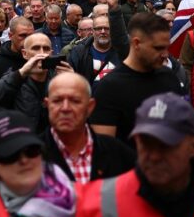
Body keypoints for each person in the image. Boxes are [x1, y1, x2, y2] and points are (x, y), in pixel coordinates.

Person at [89, 11, 185, 144]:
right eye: (158, 48)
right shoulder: (109, 88)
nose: (165, 54)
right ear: (136, 43)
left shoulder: (169, 78)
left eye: (166, 47)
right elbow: (105, 149)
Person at [43, 73, 134, 183]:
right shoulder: (31, 155)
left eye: (75, 101)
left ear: (90, 107)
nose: (65, 108)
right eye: (57, 101)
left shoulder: (117, 153)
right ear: (47, 105)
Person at [0, 32, 72, 130]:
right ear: (25, 53)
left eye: (46, 49)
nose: (41, 53)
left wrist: (73, 81)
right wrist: (21, 73)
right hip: (25, 137)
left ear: (51, 53)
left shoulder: (59, 77)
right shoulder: (15, 77)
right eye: (36, 48)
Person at [67, 12, 129, 89]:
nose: (103, 32)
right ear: (92, 31)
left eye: (106, 28)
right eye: (99, 28)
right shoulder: (78, 52)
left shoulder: (122, 52)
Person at [0, 16, 33, 96]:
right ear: (10, 35)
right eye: (22, 35)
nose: (27, 40)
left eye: (31, 36)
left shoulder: (39, 62)